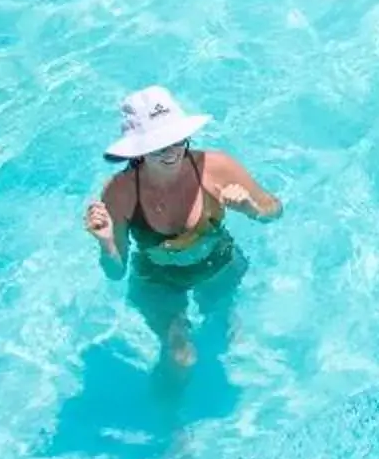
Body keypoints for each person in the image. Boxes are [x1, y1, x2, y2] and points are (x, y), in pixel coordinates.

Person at [83, 85, 281, 371]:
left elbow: (275, 210)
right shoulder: (120, 192)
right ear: (137, 151)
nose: (172, 152)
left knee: (230, 337)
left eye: (177, 140)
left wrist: (251, 208)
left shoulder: (216, 167)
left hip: (220, 265)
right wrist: (105, 243)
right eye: (158, 146)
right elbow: (116, 272)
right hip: (158, 280)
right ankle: (167, 414)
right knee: (180, 357)